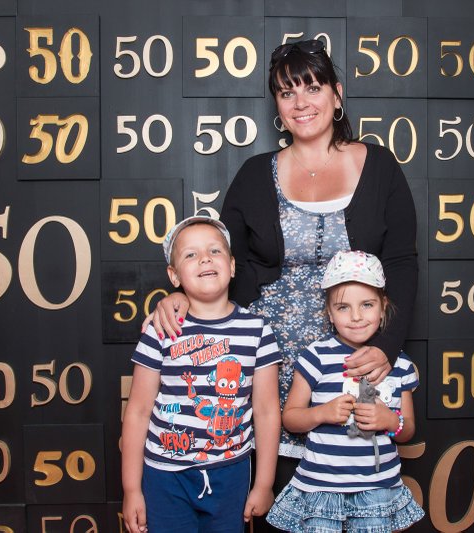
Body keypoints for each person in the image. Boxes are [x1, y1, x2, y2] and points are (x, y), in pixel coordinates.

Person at [147, 39, 418, 508]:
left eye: (312, 88)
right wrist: (182, 299)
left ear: (336, 94)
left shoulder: (380, 166)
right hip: (267, 361)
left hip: (353, 357)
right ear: (277, 105)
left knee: (357, 490)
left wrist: (386, 347)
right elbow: (221, 261)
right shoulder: (256, 174)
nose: (300, 103)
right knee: (276, 502)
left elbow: (401, 263)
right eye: (287, 92)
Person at [122, 215, 281, 533]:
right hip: (165, 475)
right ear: (174, 275)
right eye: (191, 254)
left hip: (231, 472)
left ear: (232, 266)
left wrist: (264, 483)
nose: (205, 258)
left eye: (215, 250)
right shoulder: (160, 330)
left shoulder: (257, 330)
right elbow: (138, 411)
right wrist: (131, 489)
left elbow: (266, 410)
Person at [266, 250, 424, 532]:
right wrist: (322, 413)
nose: (356, 317)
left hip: (378, 488)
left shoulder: (398, 364)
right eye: (343, 308)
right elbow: (290, 418)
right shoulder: (316, 356)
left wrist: (390, 421)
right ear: (329, 312)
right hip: (321, 488)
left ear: (383, 307)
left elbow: (408, 430)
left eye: (367, 305)